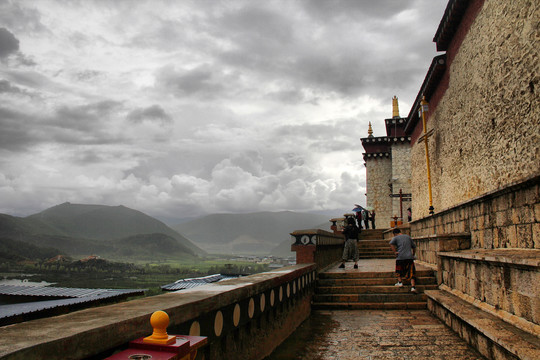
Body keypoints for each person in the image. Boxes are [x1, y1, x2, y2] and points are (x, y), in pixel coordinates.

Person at [389, 228, 417, 293]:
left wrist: (395, 252)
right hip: (409, 257)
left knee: (399, 270)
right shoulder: (408, 237)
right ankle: (413, 287)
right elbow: (414, 247)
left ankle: (400, 282)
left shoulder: (396, 237)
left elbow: (391, 244)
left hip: (400, 257)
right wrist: (413, 254)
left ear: (394, 234)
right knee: (411, 272)